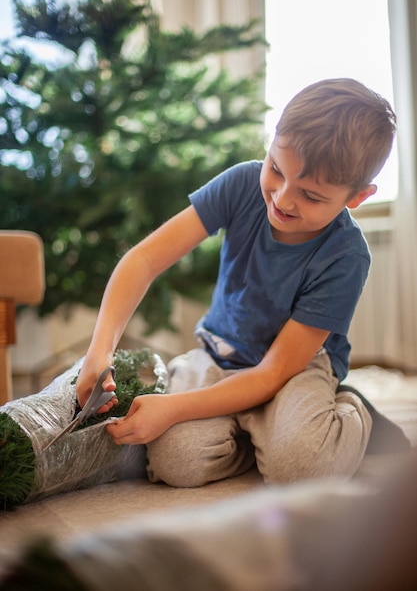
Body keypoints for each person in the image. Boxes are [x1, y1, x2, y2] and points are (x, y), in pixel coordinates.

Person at [76, 77, 409, 487]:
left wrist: (177, 408)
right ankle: (260, 437)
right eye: (275, 169)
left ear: (356, 197)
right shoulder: (241, 183)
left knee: (301, 470)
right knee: (176, 463)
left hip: (292, 370)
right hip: (221, 353)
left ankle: (347, 413)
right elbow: (143, 260)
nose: (283, 199)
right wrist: (100, 348)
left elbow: (272, 374)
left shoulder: (347, 256)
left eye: (310, 195)